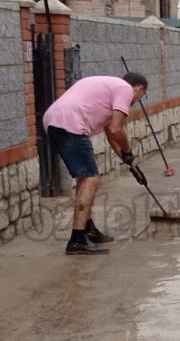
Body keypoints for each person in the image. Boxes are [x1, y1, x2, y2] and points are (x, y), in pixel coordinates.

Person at [41, 73, 150, 255]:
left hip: (54, 120)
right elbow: (117, 129)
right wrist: (129, 150)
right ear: (138, 88)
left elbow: (110, 133)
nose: (138, 100)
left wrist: (128, 161)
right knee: (91, 179)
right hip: (70, 123)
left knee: (86, 178)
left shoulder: (110, 90)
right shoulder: (124, 88)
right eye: (142, 95)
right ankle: (76, 240)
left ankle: (87, 229)